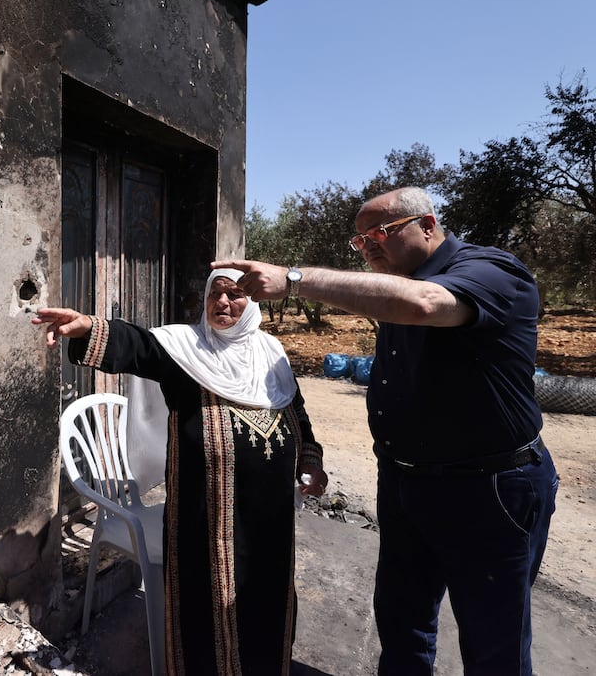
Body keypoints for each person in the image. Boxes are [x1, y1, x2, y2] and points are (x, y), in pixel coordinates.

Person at [213, 186, 559, 676]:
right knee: (402, 622)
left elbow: (424, 305)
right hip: (406, 484)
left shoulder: (490, 272)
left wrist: (294, 279)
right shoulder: (400, 280)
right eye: (360, 240)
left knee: (493, 641)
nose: (369, 245)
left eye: (381, 232)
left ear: (429, 225)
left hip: (487, 489)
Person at [33, 268, 328, 676]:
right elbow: (140, 346)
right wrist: (88, 329)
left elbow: (297, 412)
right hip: (205, 527)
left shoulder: (271, 354)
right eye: (215, 295)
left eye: (235, 295)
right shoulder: (187, 352)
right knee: (206, 627)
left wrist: (310, 460)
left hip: (270, 526)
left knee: (268, 607)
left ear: (253, 304)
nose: (222, 303)